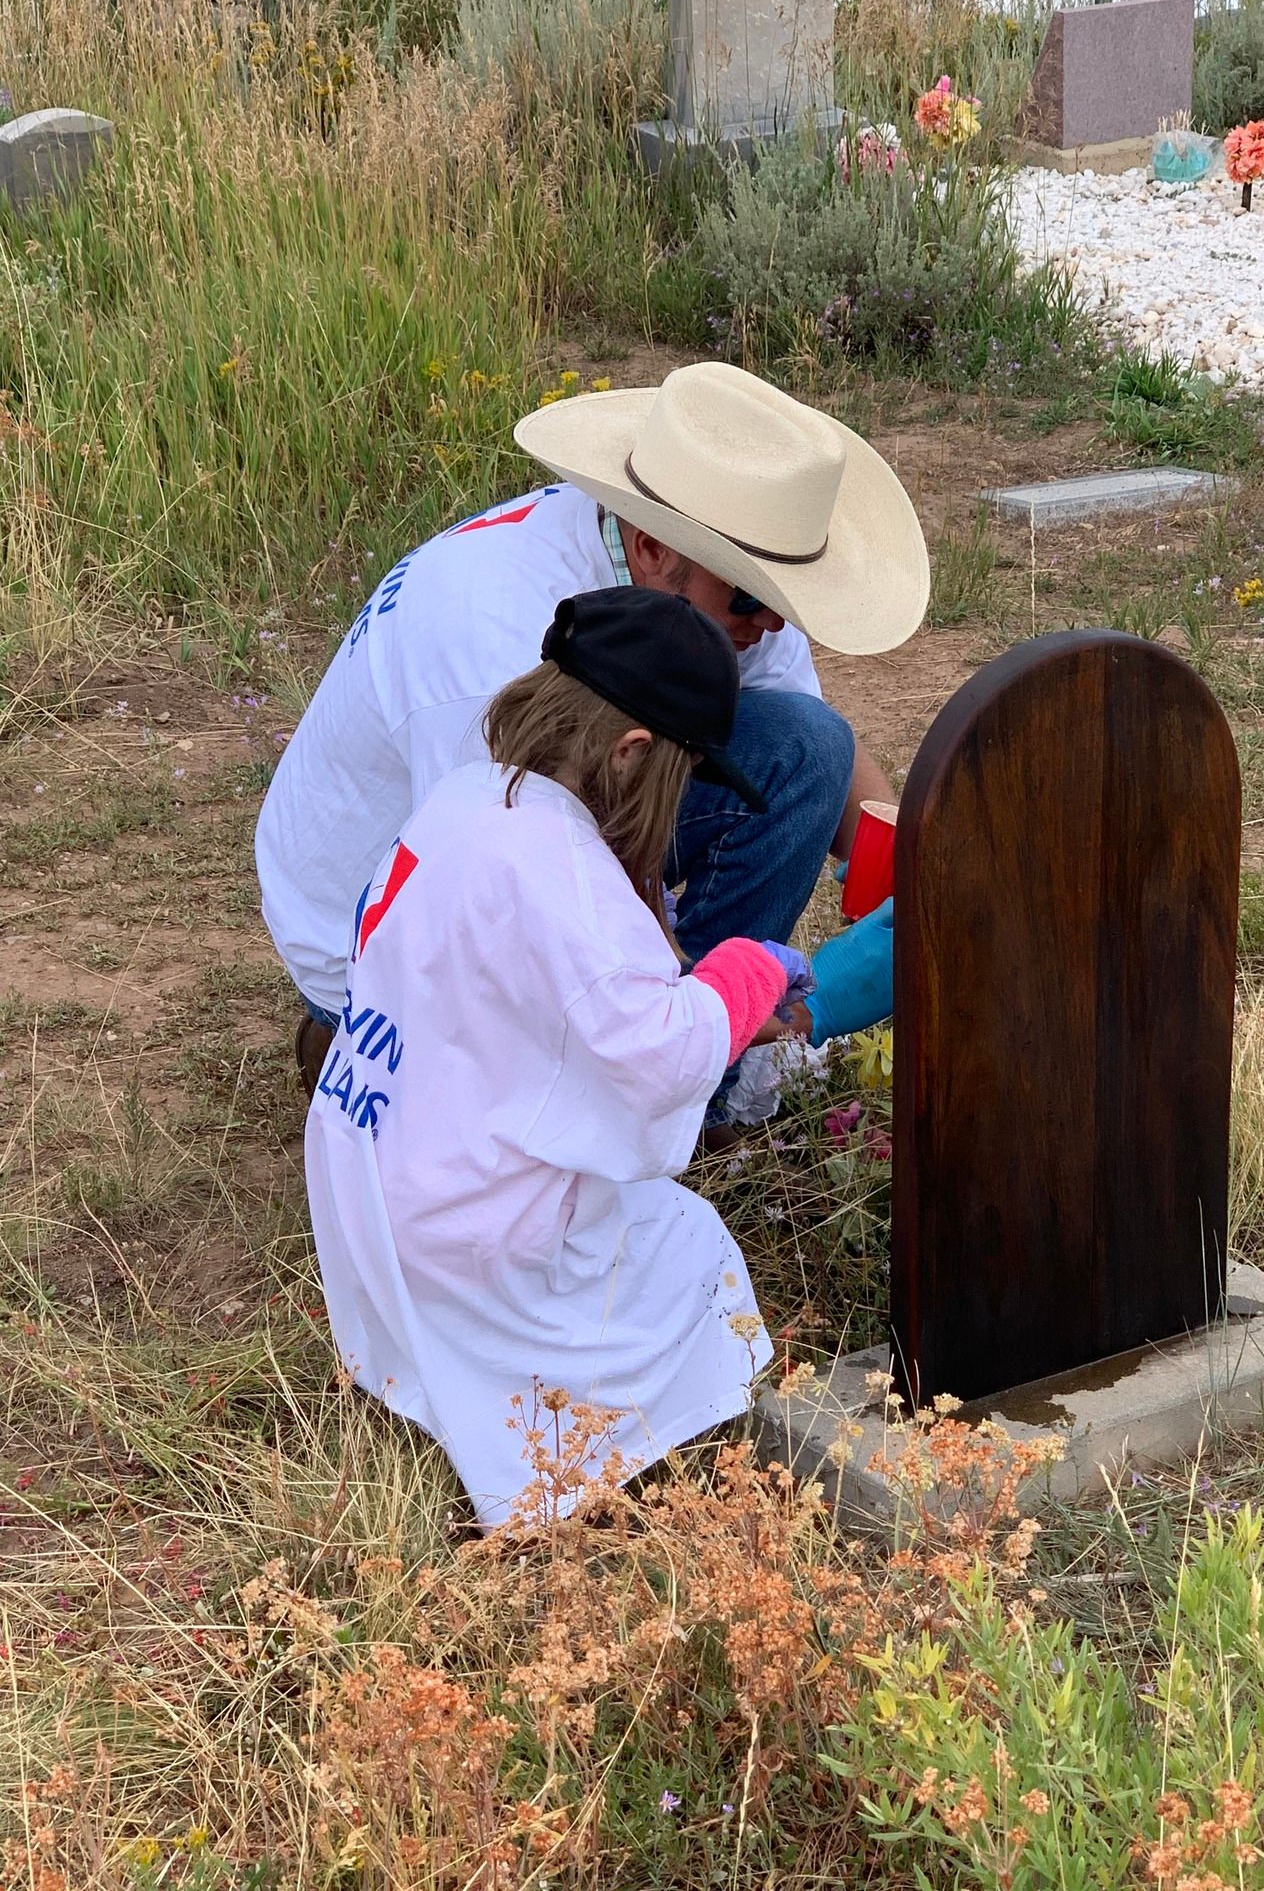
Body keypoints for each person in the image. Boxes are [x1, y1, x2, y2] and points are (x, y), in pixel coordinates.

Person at [255, 361, 929, 1091]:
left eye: (782, 604)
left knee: (807, 747)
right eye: (750, 602)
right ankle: (650, 1078)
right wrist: (789, 1007)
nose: (768, 624)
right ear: (651, 548)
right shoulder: (492, 647)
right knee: (570, 1076)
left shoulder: (720, 571)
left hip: (528, 833)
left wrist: (914, 878)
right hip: (384, 926)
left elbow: (814, 755)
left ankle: (695, 1064)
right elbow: (505, 908)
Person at [305, 589, 812, 1527]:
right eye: (686, 771)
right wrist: (744, 978)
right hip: (455, 1232)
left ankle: (424, 1407)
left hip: (365, 1179)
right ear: (631, 755)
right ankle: (582, 1487)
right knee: (692, 1253)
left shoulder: (464, 801)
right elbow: (656, 1059)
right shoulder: (561, 868)